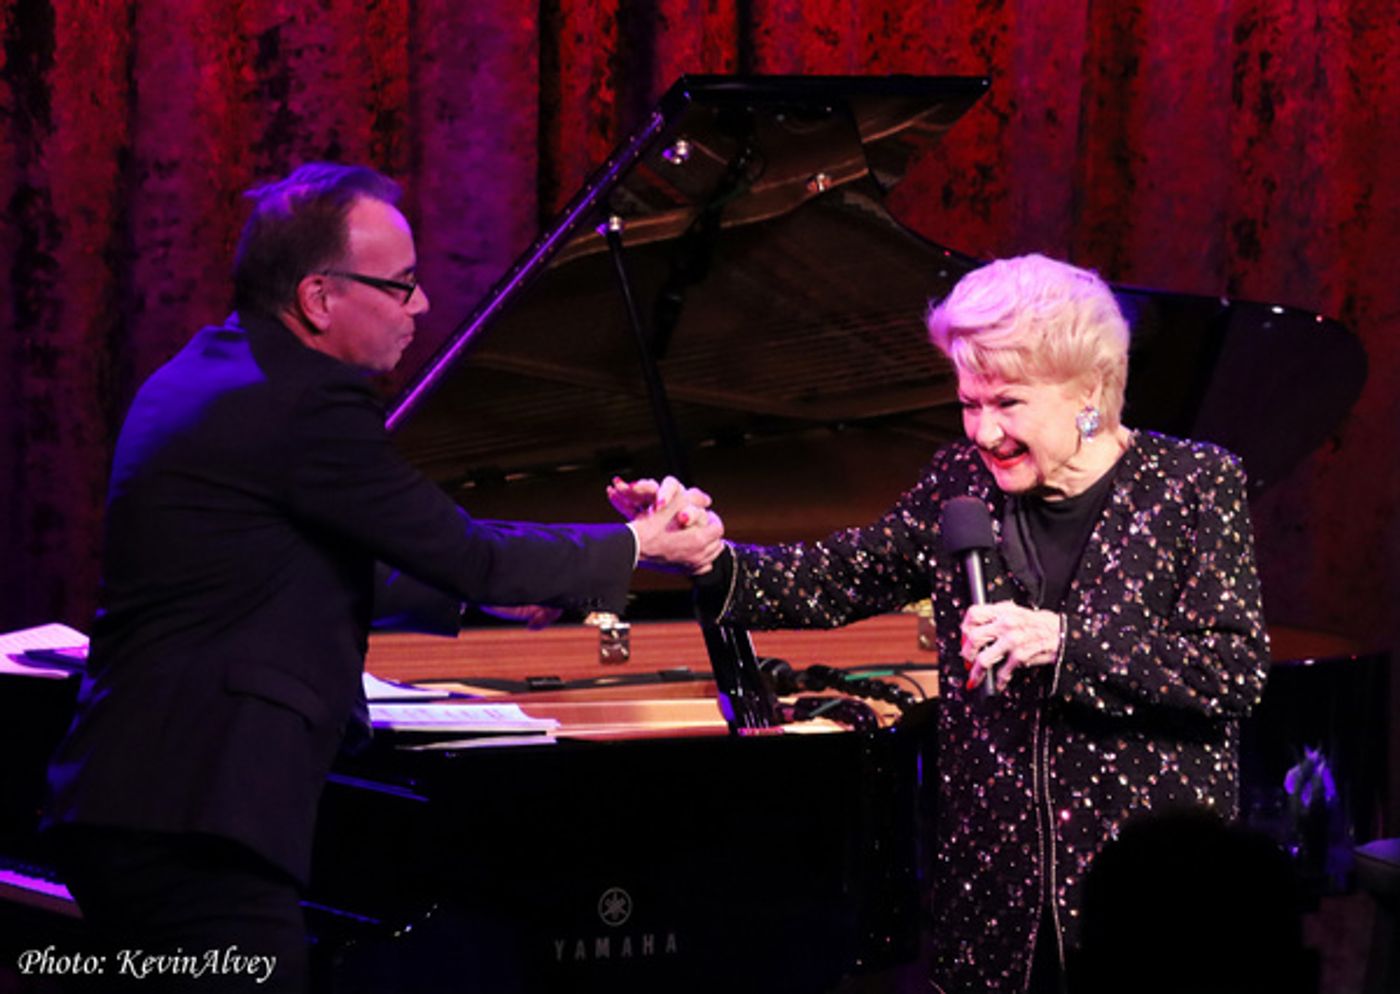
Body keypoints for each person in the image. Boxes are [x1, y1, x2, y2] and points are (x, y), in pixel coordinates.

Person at [41, 163, 722, 992]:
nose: (422, 305)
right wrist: (638, 543)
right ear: (319, 297)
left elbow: (280, 569)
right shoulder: (304, 406)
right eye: (400, 286)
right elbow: (467, 551)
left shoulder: (206, 372)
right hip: (204, 822)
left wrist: (494, 595)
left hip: (132, 806)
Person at [610, 254, 1270, 994]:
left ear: (1089, 392)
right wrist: (704, 554)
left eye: (1008, 403)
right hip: (994, 892)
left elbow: (1233, 671)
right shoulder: (957, 482)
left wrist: (1061, 641)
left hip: (1150, 894)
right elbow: (833, 580)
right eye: (969, 402)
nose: (983, 432)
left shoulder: (1193, 486)